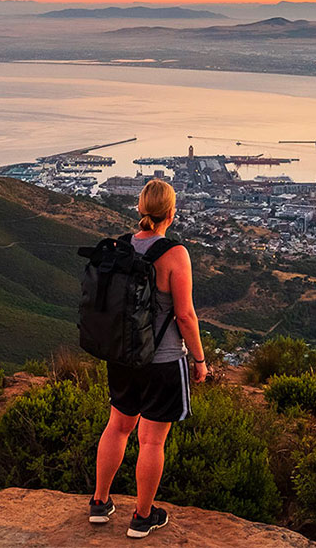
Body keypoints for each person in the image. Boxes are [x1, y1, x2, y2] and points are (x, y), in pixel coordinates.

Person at [88, 178, 208, 539]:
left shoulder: (120, 247)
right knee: (152, 441)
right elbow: (185, 315)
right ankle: (142, 517)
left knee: (117, 426)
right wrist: (200, 361)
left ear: (140, 208)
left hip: (122, 355)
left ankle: (99, 503)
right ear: (171, 213)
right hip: (163, 359)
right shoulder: (175, 254)